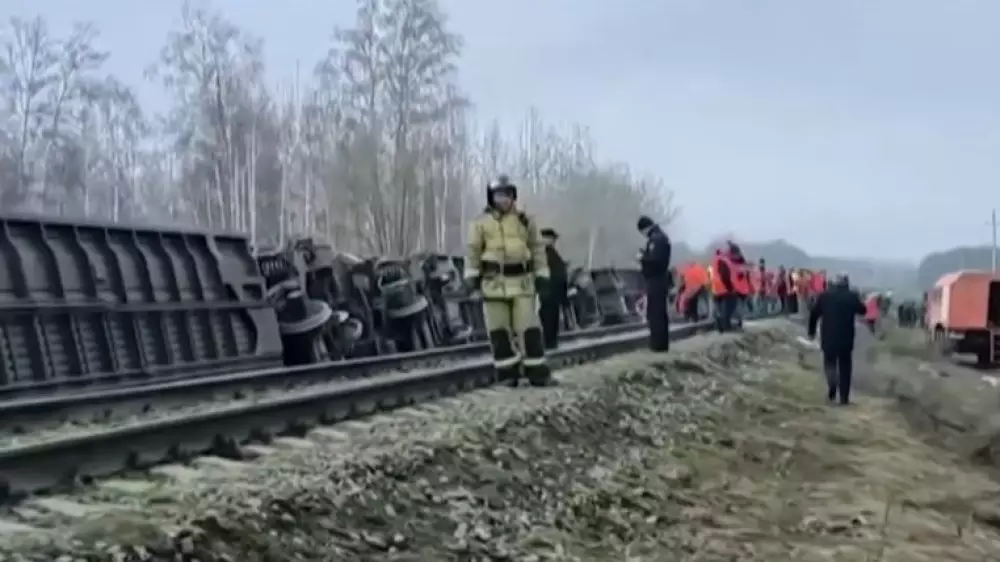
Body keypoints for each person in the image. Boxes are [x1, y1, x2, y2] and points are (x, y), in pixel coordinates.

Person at [464, 174, 554, 387]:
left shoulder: (525, 220)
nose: (503, 199)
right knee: (498, 331)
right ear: (491, 197)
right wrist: (471, 278)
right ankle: (507, 374)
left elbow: (537, 249)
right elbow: (473, 251)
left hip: (522, 282)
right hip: (493, 284)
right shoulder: (480, 223)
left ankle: (537, 372)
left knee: (529, 329)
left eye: (507, 195)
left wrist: (542, 275)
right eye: (499, 195)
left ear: (513, 197)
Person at [807, 273, 866, 405]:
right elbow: (863, 310)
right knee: (845, 367)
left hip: (828, 337)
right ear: (847, 283)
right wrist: (859, 299)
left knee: (829, 363)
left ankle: (832, 386)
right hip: (846, 339)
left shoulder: (824, 296)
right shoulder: (851, 297)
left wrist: (811, 331)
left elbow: (814, 314)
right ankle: (844, 398)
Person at [637, 215, 672, 351]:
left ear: (645, 228)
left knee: (655, 313)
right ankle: (661, 344)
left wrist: (642, 258)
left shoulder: (657, 239)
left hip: (656, 280)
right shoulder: (661, 237)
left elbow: (656, 261)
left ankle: (658, 345)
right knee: (659, 312)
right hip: (660, 280)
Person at [538, 227, 568, 349]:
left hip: (552, 292)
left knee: (552, 319)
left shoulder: (550, 252)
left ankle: (551, 343)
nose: (554, 240)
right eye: (552, 238)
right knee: (549, 320)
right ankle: (550, 343)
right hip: (548, 293)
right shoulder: (542, 253)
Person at [711, 249, 736, 332]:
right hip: (724, 290)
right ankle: (726, 325)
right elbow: (725, 276)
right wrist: (731, 288)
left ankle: (719, 322)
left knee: (719, 309)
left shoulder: (713, 264)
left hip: (715, 290)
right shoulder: (723, 262)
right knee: (728, 308)